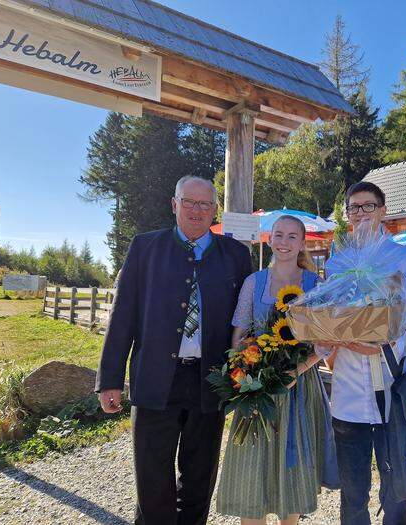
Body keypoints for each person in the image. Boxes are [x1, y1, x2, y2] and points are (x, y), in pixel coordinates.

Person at [95, 176, 252, 525]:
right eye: (189, 202)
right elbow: (123, 317)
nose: (197, 210)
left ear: (215, 209)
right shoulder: (145, 248)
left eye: (205, 204)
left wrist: (246, 379)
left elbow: (247, 323)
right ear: (174, 204)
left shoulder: (237, 255)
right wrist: (110, 380)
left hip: (210, 383)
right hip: (154, 380)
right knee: (152, 481)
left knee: (199, 480)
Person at [216, 215, 334, 525]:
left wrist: (297, 370)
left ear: (302, 243)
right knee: (252, 470)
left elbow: (321, 342)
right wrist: (249, 367)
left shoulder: (314, 284)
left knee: (291, 470)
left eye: (292, 236)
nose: (284, 242)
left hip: (299, 389)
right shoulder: (253, 282)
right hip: (258, 386)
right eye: (278, 235)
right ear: (270, 240)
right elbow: (238, 337)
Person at [325, 181, 406, 525]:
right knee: (353, 490)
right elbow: (328, 316)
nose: (360, 214)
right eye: (353, 208)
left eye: (368, 206)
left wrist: (384, 340)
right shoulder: (338, 261)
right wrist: (335, 343)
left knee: (397, 484)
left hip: (393, 383)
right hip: (347, 389)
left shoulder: (405, 258)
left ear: (383, 210)